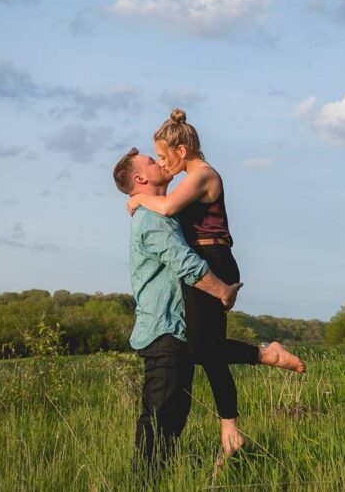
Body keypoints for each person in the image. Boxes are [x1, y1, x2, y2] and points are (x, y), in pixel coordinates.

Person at [126, 110, 304, 461]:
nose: (162, 163)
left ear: (181, 149)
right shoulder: (187, 180)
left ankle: (266, 357)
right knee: (206, 349)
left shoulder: (202, 175)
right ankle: (230, 426)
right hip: (209, 261)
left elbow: (167, 208)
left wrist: (137, 199)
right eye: (155, 159)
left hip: (215, 261)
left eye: (162, 155)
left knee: (203, 349)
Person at [112, 147, 241, 470]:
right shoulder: (152, 219)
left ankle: (155, 479)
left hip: (174, 330)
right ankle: (145, 483)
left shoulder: (163, 213)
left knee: (171, 420)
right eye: (152, 162)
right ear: (141, 178)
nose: (160, 162)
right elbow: (187, 266)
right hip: (164, 333)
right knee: (159, 420)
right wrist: (223, 291)